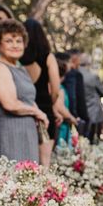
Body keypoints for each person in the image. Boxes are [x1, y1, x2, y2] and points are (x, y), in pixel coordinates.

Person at [0, 20, 48, 163]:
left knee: (29, 179)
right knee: (13, 180)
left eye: (19, 41)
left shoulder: (21, 68)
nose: (15, 45)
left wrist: (39, 116)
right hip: (9, 132)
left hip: (27, 132)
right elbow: (10, 104)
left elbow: (28, 99)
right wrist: (38, 112)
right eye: (8, 40)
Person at [20, 18, 64, 167]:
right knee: (44, 162)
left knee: (26, 161)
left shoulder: (17, 58)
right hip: (45, 108)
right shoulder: (48, 57)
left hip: (24, 108)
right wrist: (52, 105)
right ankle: (45, 190)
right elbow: (56, 89)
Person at [78, 53, 103, 144]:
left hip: (77, 112)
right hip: (93, 113)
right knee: (92, 141)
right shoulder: (93, 77)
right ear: (89, 63)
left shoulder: (74, 73)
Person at [64, 48, 89, 135]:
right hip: (71, 116)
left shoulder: (66, 73)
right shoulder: (74, 74)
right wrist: (77, 115)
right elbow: (75, 96)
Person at [55, 55, 77, 147]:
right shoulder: (59, 89)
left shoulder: (54, 87)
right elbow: (60, 106)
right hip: (62, 124)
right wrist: (72, 118)